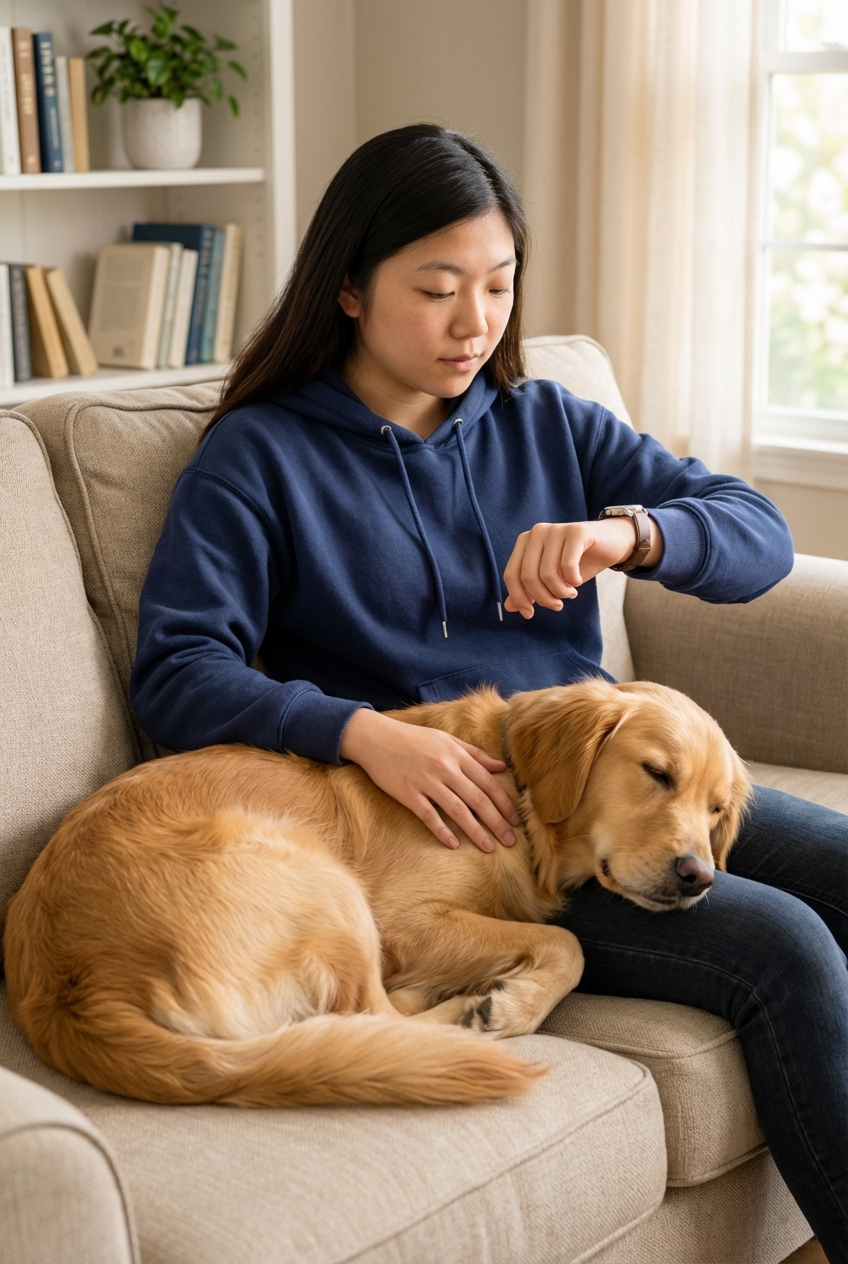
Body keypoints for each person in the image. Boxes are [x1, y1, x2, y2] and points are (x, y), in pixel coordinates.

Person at [130, 125, 847, 1263]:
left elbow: (754, 535)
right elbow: (177, 674)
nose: (476, 322)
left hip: (613, 766)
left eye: (499, 286)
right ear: (351, 288)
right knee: (789, 949)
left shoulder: (545, 420)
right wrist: (361, 734)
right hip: (466, 833)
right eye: (437, 288)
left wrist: (628, 531)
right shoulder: (257, 458)